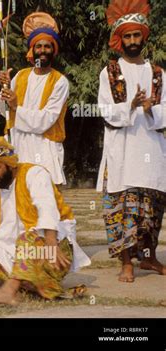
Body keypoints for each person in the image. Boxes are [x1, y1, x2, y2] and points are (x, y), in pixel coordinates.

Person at [0, 137, 90, 305]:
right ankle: (37, 287)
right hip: (19, 255)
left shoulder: (34, 174)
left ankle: (9, 290)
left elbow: (47, 207)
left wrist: (51, 241)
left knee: (27, 237)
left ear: (10, 164)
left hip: (53, 250)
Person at [97, 0, 166, 282]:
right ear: (120, 39)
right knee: (122, 208)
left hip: (150, 149)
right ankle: (126, 263)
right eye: (128, 36)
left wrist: (151, 109)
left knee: (150, 209)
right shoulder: (110, 72)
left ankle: (149, 258)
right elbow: (105, 111)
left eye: (137, 35)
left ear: (143, 37)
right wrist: (131, 106)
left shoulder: (159, 74)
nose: (133, 41)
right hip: (122, 152)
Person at [0, 12, 69, 185]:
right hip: (19, 146)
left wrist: (16, 106)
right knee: (17, 205)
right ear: (32, 49)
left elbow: (46, 120)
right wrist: (4, 90)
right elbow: (3, 112)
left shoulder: (60, 81)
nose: (43, 51)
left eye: (47, 47)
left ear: (53, 50)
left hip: (45, 150)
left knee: (46, 204)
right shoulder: (20, 76)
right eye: (38, 47)